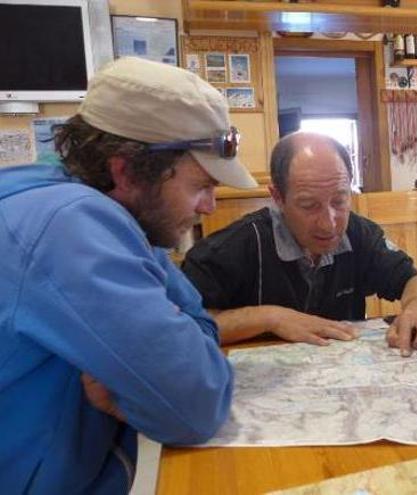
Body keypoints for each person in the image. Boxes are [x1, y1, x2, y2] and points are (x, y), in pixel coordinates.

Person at [0, 57, 257, 492]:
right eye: (200, 186)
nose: (210, 207)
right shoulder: (68, 223)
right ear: (127, 170)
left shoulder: (110, 213)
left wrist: (143, 385)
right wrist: (152, 390)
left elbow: (202, 330)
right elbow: (197, 404)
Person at [182, 132, 417, 356]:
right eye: (309, 205)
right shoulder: (235, 246)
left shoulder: (359, 233)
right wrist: (269, 317)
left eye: (340, 201)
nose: (329, 224)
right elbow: (183, 324)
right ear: (278, 197)